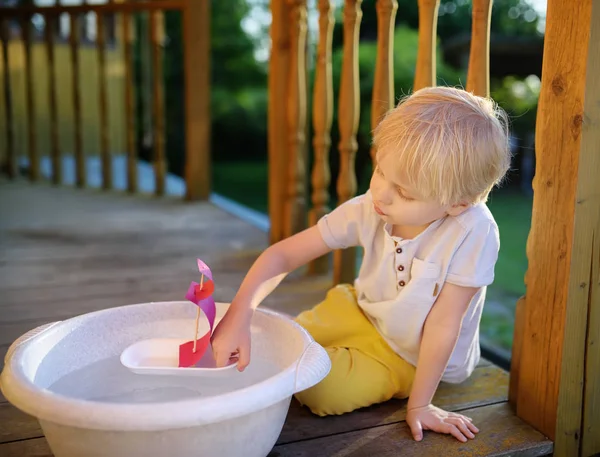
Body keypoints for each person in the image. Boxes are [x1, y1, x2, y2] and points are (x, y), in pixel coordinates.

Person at [210, 86, 511, 443]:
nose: (381, 192)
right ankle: (309, 344)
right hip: (361, 309)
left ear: (458, 204)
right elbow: (282, 255)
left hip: (410, 354)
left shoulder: (473, 232)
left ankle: (334, 358)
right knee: (273, 342)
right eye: (381, 171)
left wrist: (420, 406)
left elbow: (443, 326)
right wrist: (239, 315)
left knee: (317, 390)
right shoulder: (372, 205)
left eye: (405, 192)